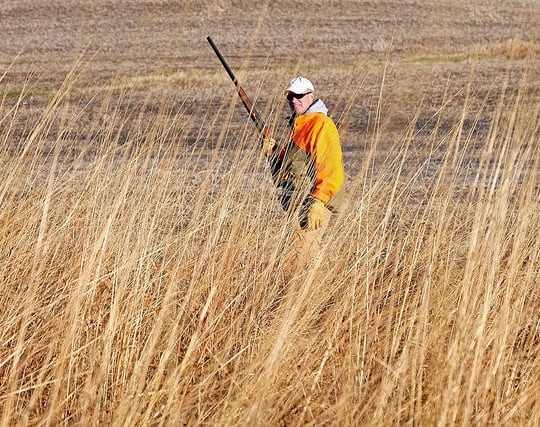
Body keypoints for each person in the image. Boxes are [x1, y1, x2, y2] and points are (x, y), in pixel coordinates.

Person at [262, 76, 346, 272]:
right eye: (290, 97)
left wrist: (319, 202)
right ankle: (320, 289)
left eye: (299, 95)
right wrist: (272, 153)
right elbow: (290, 167)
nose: (294, 100)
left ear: (311, 96)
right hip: (302, 200)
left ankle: (307, 293)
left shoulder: (320, 124)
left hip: (316, 202)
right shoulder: (300, 125)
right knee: (306, 252)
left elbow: (331, 168)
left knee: (299, 253)